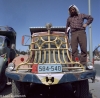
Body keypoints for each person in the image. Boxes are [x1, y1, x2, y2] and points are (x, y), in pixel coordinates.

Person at [66, 5, 93, 69]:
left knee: (83, 48)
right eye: (71, 10)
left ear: (76, 9)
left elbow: (90, 18)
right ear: (69, 11)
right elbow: (67, 27)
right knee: (74, 50)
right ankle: (74, 64)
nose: (72, 11)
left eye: (73, 9)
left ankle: (83, 63)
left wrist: (86, 24)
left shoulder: (81, 15)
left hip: (81, 32)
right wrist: (66, 36)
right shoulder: (69, 19)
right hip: (73, 33)